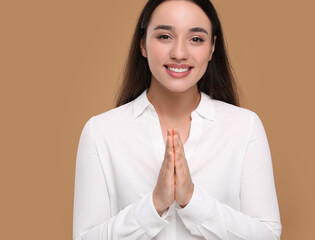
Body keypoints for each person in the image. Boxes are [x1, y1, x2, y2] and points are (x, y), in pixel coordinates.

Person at [72, 0, 282, 239]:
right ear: (142, 44)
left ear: (213, 48)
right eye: (164, 36)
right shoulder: (101, 132)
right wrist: (154, 205)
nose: (179, 53)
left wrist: (192, 201)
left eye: (196, 39)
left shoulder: (245, 127)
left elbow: (268, 235)